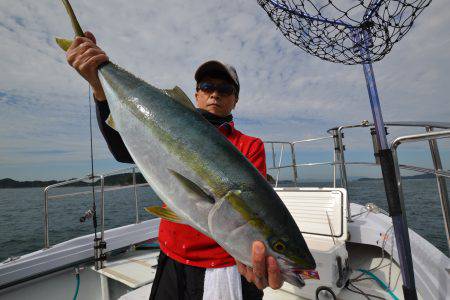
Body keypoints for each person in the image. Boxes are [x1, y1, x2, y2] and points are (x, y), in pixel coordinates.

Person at [66, 31, 283, 299]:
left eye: (225, 89)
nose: (215, 94)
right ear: (196, 94)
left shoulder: (249, 145)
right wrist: (100, 89)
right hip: (170, 256)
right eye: (207, 87)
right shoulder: (169, 124)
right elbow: (124, 150)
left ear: (235, 99)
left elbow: (255, 211)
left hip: (221, 266)